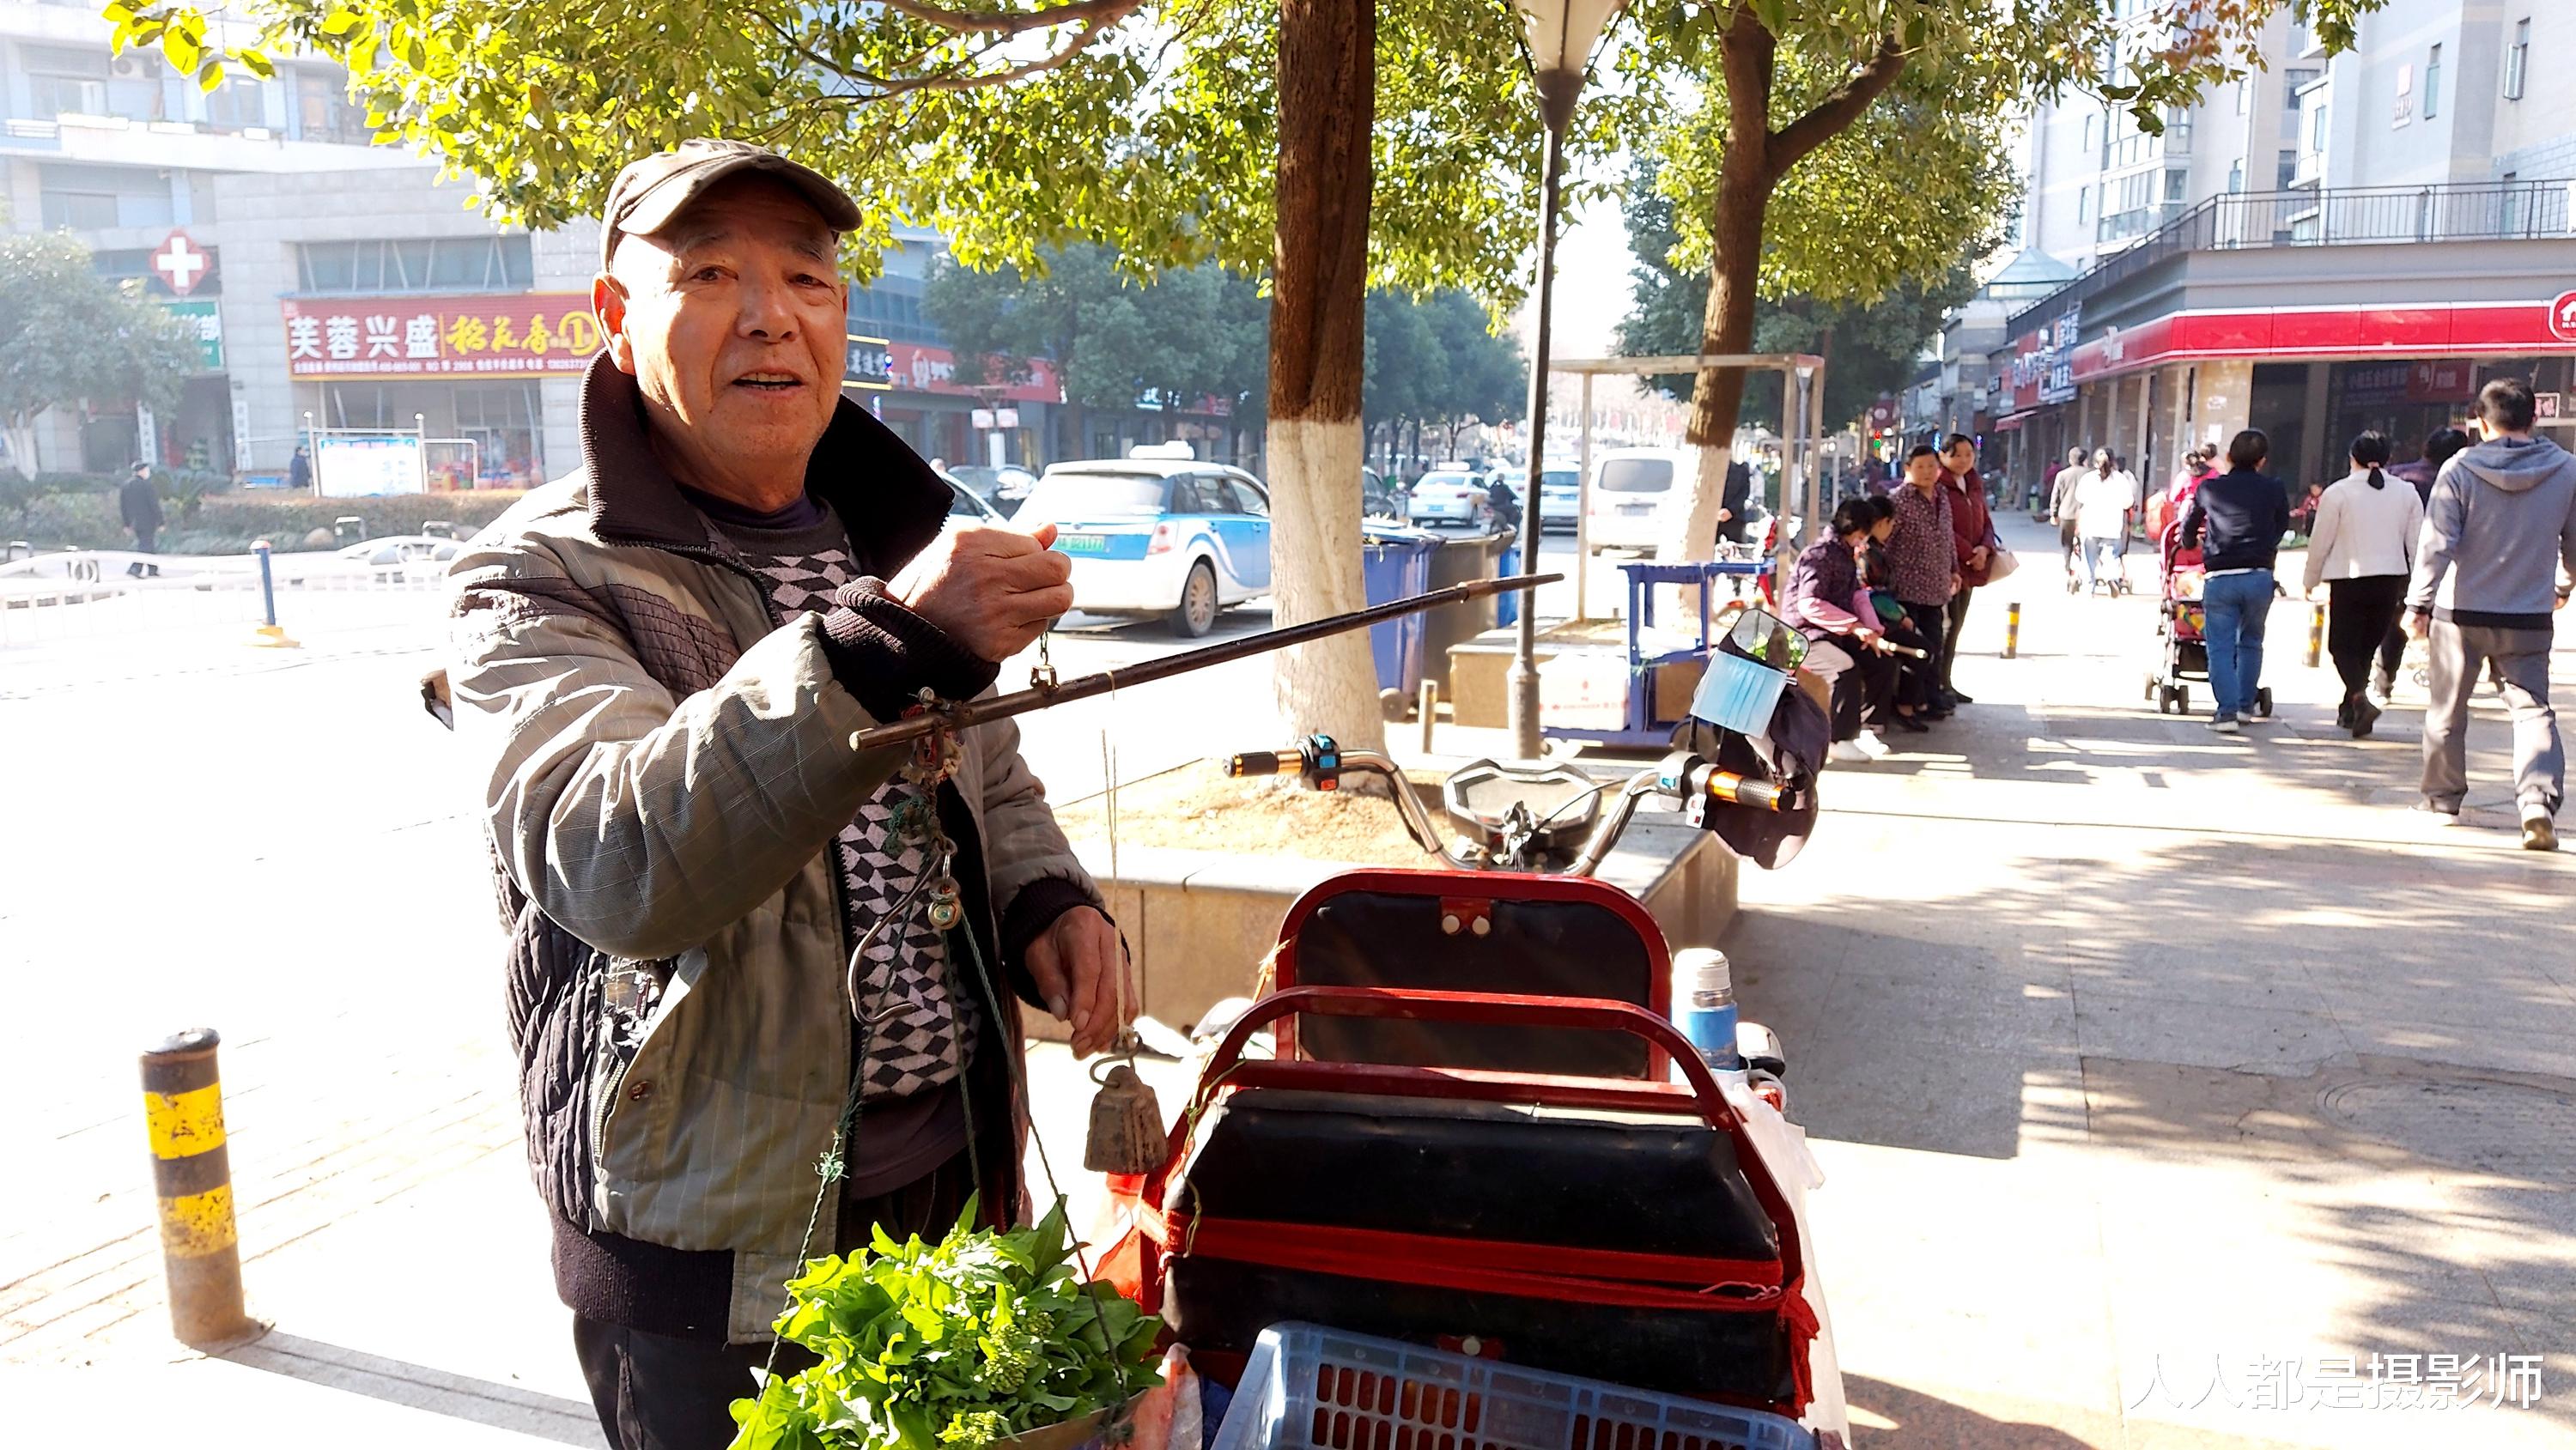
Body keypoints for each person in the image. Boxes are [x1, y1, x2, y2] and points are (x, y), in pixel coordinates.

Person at [443, 139, 1129, 1449]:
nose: (768, 314)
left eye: (805, 278)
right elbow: (616, 861)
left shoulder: (897, 536)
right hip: (711, 1251)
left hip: (948, 1183)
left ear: (840, 318)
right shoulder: (536, 578)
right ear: (615, 316)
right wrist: (874, 646)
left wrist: (1045, 895)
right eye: (710, 272)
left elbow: (984, 765)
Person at [2406, 378, 2576, 850]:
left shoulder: (2459, 467)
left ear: (2479, 423)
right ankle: (2537, 803)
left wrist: (2418, 604)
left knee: (2447, 709)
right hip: (2528, 614)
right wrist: (2562, 587)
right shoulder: (2567, 469)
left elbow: (2437, 542)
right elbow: (2575, 543)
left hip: (2460, 613)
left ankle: (2442, 800)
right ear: (2534, 418)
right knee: (2532, 711)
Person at [2301, 430, 2421, 737]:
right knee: (2366, 647)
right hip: (2390, 580)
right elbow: (2417, 544)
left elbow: (2321, 542)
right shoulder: (2407, 492)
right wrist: (2420, 585)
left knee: (2341, 647)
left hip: (2348, 581)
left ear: (2352, 458)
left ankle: (2358, 700)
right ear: (2388, 459)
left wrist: (2310, 578)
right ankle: (2350, 709)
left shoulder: (2338, 493)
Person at [2178, 429, 2291, 734]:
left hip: (2221, 577)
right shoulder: (2274, 488)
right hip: (2259, 575)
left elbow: (2188, 528)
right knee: (2252, 641)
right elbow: (2282, 525)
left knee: (2220, 646)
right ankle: (2244, 707)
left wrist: (2190, 543)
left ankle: (2226, 712)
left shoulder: (2210, 489)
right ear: (2262, 460)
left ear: (2228, 457)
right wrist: (2265, 545)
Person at [1784, 497, 1900, 761]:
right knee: (1845, 670)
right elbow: (1809, 604)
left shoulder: (1846, 554)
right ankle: (1838, 738)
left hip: (1834, 632)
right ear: (1859, 530)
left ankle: (1869, 729)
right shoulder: (1820, 554)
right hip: (1803, 636)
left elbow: (1858, 596)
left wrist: (1872, 629)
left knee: (1880, 661)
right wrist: (1854, 626)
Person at [2372, 426, 2473, 699]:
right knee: (2445, 624)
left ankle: (2383, 683)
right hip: (2444, 563)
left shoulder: (2395, 475)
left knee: (2397, 623)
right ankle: (2443, 681)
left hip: (2396, 559)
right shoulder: (2458, 480)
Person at [1884, 445, 1959, 721]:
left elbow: (1948, 535)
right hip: (1907, 589)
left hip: (1936, 587)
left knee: (1934, 645)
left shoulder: (1942, 495)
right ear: (1908, 470)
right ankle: (1909, 703)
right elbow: (1885, 542)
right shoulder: (1899, 500)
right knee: (1915, 650)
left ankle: (1929, 697)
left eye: (1932, 466)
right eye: (1920, 467)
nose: (1927, 472)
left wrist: (1953, 568)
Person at [1935, 434, 1991, 707]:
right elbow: (1944, 528)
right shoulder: (1938, 485)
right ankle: (1938, 683)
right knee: (1945, 627)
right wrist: (1969, 553)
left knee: (1956, 627)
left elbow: (1986, 521)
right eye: (1958, 455)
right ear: (1943, 456)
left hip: (1971, 568)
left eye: (1969, 454)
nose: (1964, 460)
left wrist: (1985, 548)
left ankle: (1947, 681)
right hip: (1948, 567)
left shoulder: (1973, 483)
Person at [2073, 448, 2137, 595]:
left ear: (2094, 462)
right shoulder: (2120, 479)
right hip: (2112, 526)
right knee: (2111, 556)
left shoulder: (2088, 479)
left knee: (2089, 558)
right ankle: (2112, 578)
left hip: (2090, 525)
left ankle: (2088, 587)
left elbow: (2080, 497)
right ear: (2114, 461)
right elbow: (2128, 502)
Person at [2047, 446, 2087, 586]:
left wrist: (2054, 513)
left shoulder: (2062, 475)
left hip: (2066, 515)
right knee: (2085, 545)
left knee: (2066, 544)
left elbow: (2055, 495)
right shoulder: (2090, 474)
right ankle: (2084, 569)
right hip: (2085, 516)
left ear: (2070, 459)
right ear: (2085, 460)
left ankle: (2068, 567)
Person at [118, 462, 162, 577]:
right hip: (148, 520)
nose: (148, 472)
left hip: (134, 522)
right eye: (147, 470)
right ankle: (135, 568)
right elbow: (154, 504)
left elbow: (123, 507)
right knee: (145, 546)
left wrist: (126, 524)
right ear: (142, 471)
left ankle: (152, 569)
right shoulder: (146, 485)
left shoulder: (126, 485)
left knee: (147, 544)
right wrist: (161, 521)